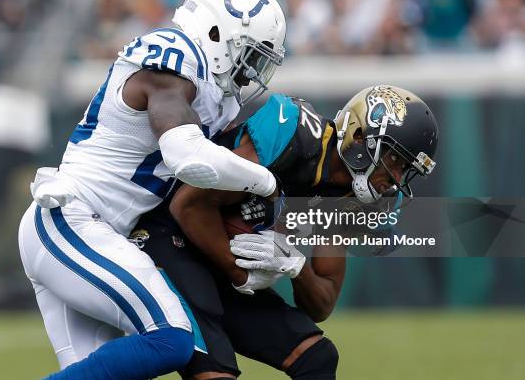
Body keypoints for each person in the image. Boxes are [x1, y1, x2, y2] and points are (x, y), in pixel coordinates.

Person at [17, 0, 287, 379]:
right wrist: (266, 183)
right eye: (249, 55)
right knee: (171, 338)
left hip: (88, 230)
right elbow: (186, 155)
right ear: (216, 32)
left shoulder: (212, 94)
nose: (251, 72)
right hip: (72, 220)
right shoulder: (172, 56)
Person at [133, 85, 438, 379]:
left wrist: (296, 265)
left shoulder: (357, 200)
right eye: (394, 159)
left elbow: (323, 301)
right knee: (217, 372)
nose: (396, 178)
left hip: (221, 258)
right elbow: (188, 205)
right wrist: (239, 273)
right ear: (360, 136)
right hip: (169, 235)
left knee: (316, 357)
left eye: (406, 168)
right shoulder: (296, 136)